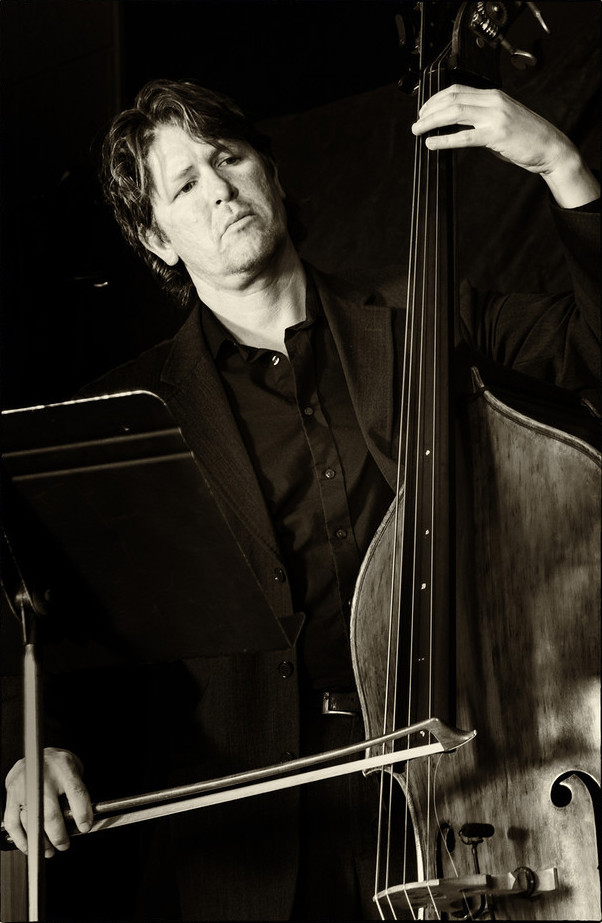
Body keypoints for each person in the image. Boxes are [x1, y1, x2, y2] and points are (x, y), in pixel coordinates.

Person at [3, 75, 600, 922]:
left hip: (469, 788)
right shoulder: (133, 410)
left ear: (272, 175)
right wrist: (35, 742)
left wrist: (559, 164)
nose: (219, 188)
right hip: (247, 842)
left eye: (229, 157)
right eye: (184, 184)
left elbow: (593, 346)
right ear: (156, 239)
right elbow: (46, 605)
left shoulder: (428, 324)